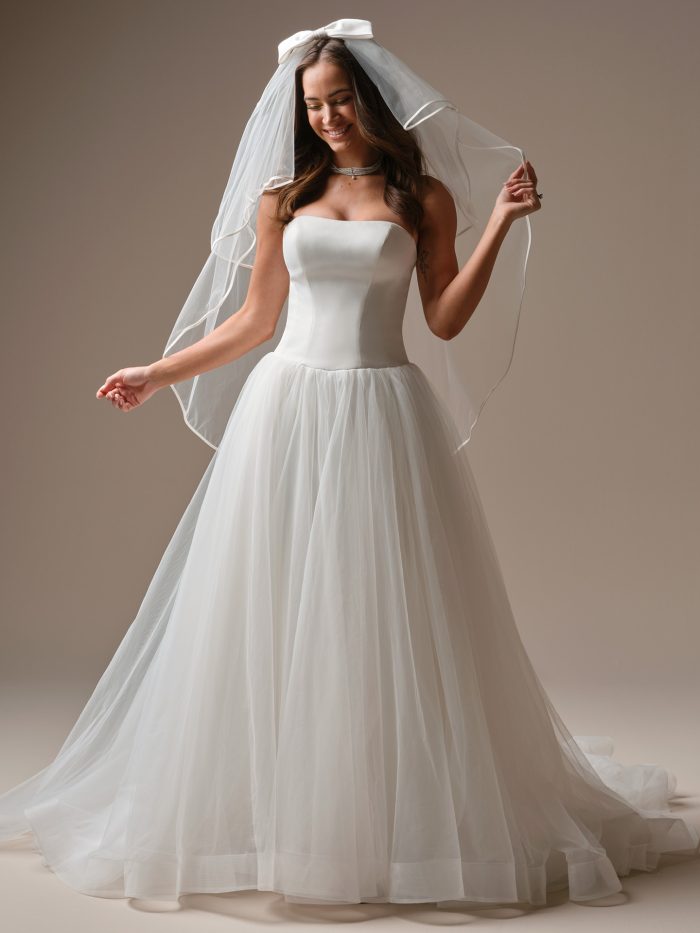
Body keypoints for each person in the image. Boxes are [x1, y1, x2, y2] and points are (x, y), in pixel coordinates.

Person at [0, 19, 697, 909]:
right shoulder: (282, 199)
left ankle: (381, 823)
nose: (327, 117)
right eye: (313, 104)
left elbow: (443, 317)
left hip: (379, 413)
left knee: (382, 617)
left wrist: (503, 226)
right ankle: (278, 815)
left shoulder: (424, 197)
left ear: (371, 100)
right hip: (285, 412)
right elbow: (255, 321)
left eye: (339, 100)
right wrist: (154, 369)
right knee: (272, 612)